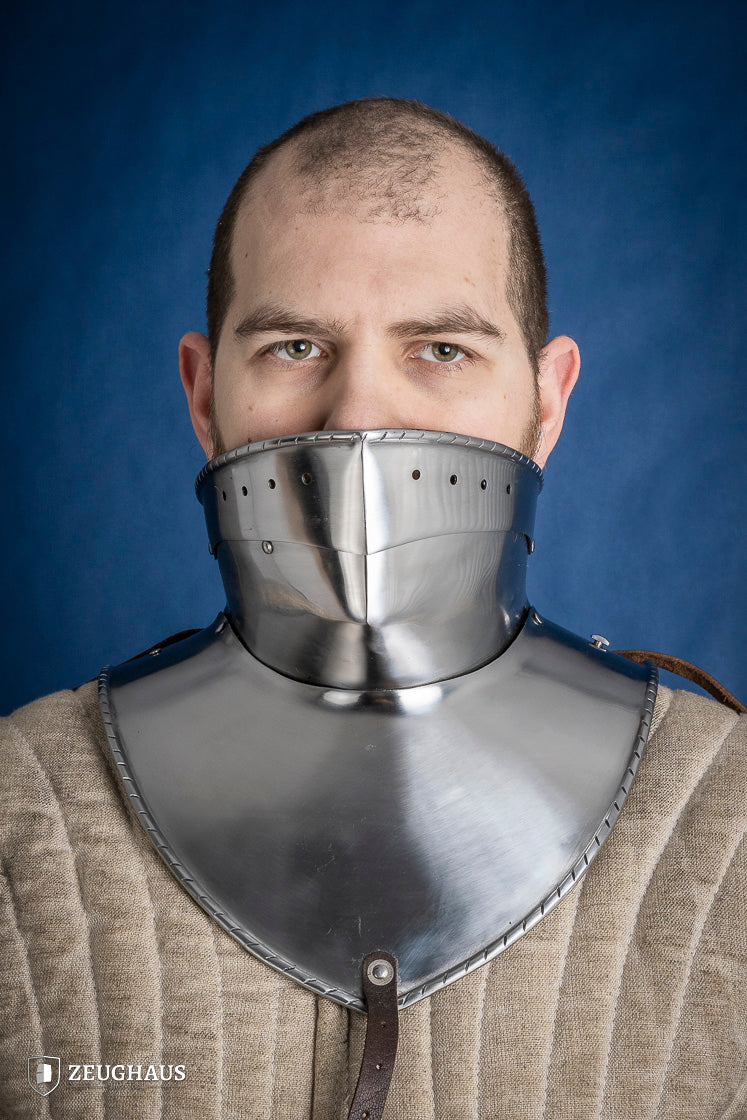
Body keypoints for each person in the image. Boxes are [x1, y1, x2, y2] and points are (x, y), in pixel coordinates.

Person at [1, 98, 744, 1120]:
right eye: (296, 347)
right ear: (204, 394)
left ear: (548, 400)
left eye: (441, 348)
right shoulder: (21, 810)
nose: (358, 419)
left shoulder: (730, 821)